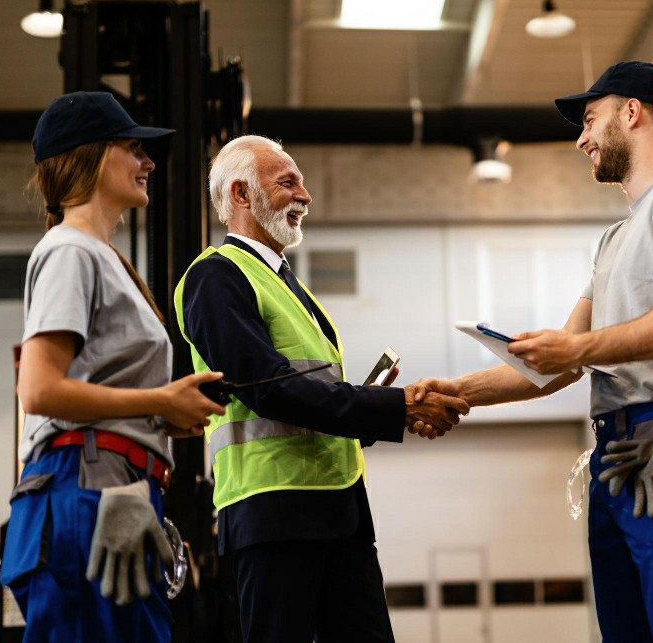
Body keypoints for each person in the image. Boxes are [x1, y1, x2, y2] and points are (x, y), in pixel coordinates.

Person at [412, 62, 653, 642]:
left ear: (633, 113)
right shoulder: (616, 239)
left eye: (590, 120)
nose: (581, 139)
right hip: (619, 454)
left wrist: (579, 346)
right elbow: (563, 364)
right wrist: (455, 392)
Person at [173, 134, 469, 643]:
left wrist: (382, 409)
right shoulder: (215, 278)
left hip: (340, 514)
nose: (306, 196)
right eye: (288, 182)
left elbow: (313, 399)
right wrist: (393, 406)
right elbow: (269, 390)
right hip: (273, 515)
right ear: (241, 195)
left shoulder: (290, 286)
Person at [0, 91, 227, 643]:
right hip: (83, 489)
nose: (147, 162)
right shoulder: (70, 251)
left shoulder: (101, 257)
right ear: (92, 156)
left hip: (112, 487)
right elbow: (40, 388)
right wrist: (158, 402)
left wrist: (160, 417)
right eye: (133, 148)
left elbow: (91, 384)